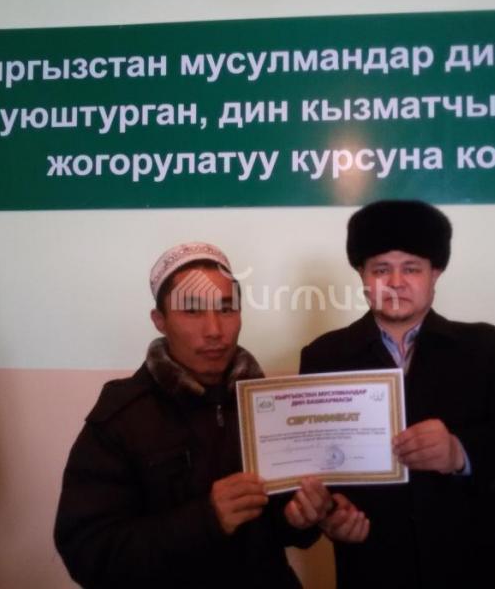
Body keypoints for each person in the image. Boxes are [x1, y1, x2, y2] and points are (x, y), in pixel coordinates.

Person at [299, 200, 495, 588]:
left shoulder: (482, 348)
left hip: (468, 566)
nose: (396, 281)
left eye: (411, 268)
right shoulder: (325, 356)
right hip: (372, 568)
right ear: (362, 275)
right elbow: (313, 463)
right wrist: (330, 512)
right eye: (381, 269)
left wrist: (458, 451)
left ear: (436, 272)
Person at [54, 242, 328, 588]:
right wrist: (206, 519)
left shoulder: (267, 404)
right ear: (160, 321)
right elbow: (88, 553)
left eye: (226, 309)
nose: (214, 330)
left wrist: (300, 518)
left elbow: (281, 527)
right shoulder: (121, 417)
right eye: (193, 311)